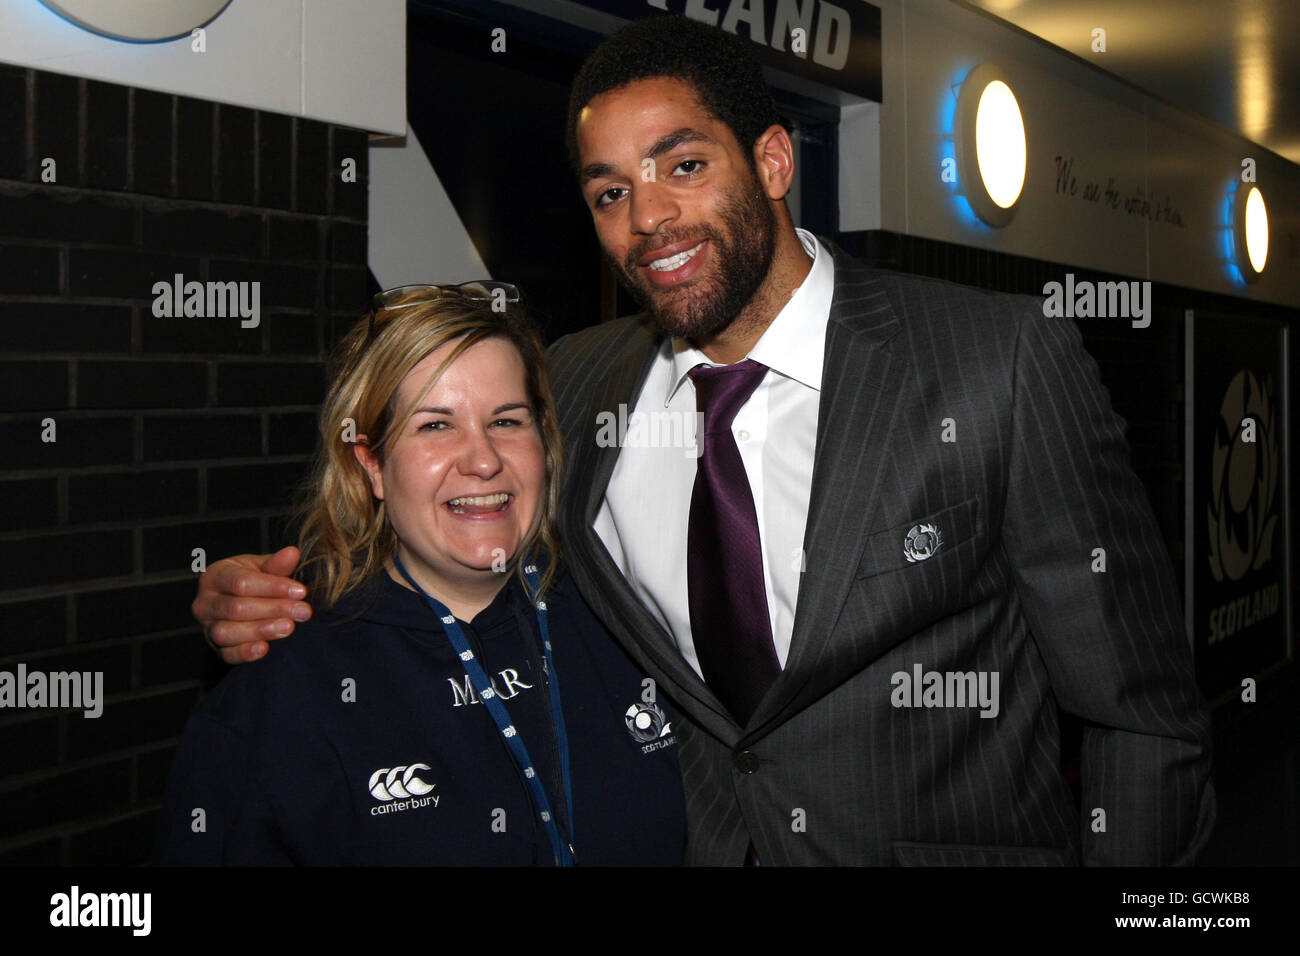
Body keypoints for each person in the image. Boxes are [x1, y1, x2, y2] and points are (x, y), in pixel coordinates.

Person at [193, 17, 1214, 865]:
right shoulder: (583, 378)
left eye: (682, 164)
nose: (649, 219)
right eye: (609, 192)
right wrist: (295, 595)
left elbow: (1140, 714)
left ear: (771, 160)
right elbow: (477, 539)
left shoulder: (996, 359)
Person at [157, 284, 685, 865]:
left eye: (507, 420)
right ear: (372, 465)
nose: (483, 460)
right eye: (435, 426)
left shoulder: (624, 618)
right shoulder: (281, 695)